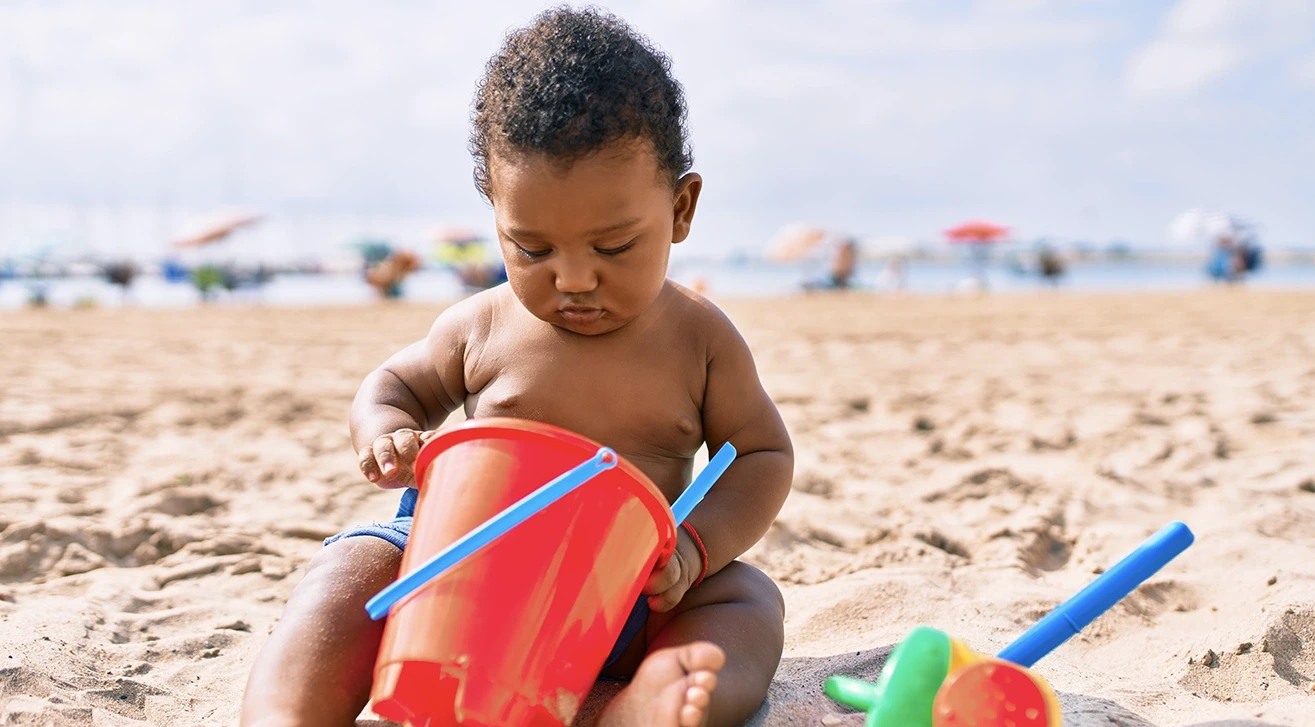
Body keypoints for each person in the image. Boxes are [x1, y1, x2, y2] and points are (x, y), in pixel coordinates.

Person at [240, 9, 794, 727]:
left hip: (628, 593)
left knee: (747, 604)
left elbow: (760, 451)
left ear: (680, 208)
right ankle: (288, 712)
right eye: (531, 249)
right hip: (455, 578)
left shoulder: (699, 339)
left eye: (614, 246)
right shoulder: (481, 324)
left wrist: (694, 544)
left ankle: (646, 706)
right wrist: (386, 430)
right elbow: (394, 385)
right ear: (495, 214)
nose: (572, 278)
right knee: (349, 571)